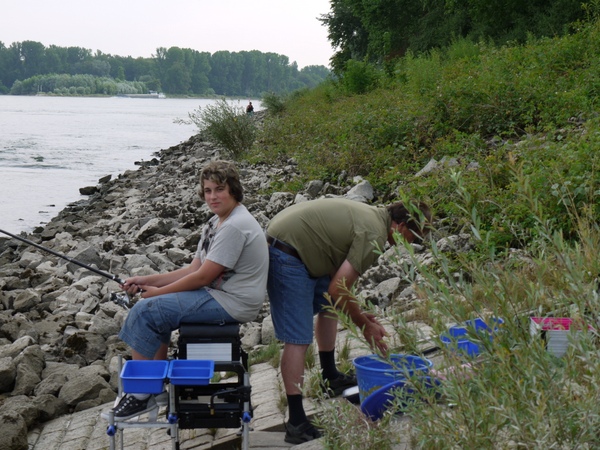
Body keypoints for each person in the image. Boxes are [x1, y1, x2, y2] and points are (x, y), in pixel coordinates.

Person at [106, 160, 269, 420]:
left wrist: (155, 293)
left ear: (233, 190)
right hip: (219, 295)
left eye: (219, 189)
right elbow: (193, 270)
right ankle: (155, 389)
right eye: (208, 190)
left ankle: (141, 396)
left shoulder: (234, 226)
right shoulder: (216, 222)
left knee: (146, 311)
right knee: (153, 311)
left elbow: (202, 278)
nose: (212, 197)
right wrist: (145, 280)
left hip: (233, 302)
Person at [266, 198, 432, 444]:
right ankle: (297, 422)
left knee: (330, 305)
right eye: (414, 236)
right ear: (399, 226)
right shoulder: (374, 235)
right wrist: (364, 325)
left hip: (296, 242)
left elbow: (337, 286)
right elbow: (339, 288)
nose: (411, 243)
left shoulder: (375, 218)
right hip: (286, 252)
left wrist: (359, 314)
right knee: (298, 339)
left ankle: (330, 376)